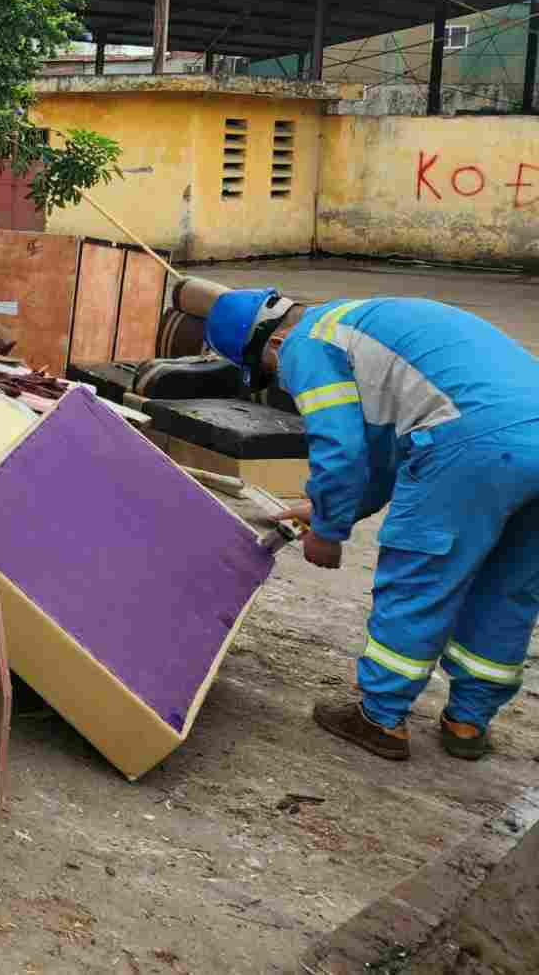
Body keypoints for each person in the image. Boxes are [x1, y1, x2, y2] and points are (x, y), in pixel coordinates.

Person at [206, 289, 539, 762]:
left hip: (472, 443)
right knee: (508, 587)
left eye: (266, 372)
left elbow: (340, 452)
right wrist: (326, 511)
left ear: (274, 342)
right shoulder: (362, 325)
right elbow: (383, 457)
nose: (279, 381)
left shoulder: (307, 344)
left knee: (420, 575)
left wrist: (328, 533)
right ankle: (468, 721)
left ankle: (380, 718)